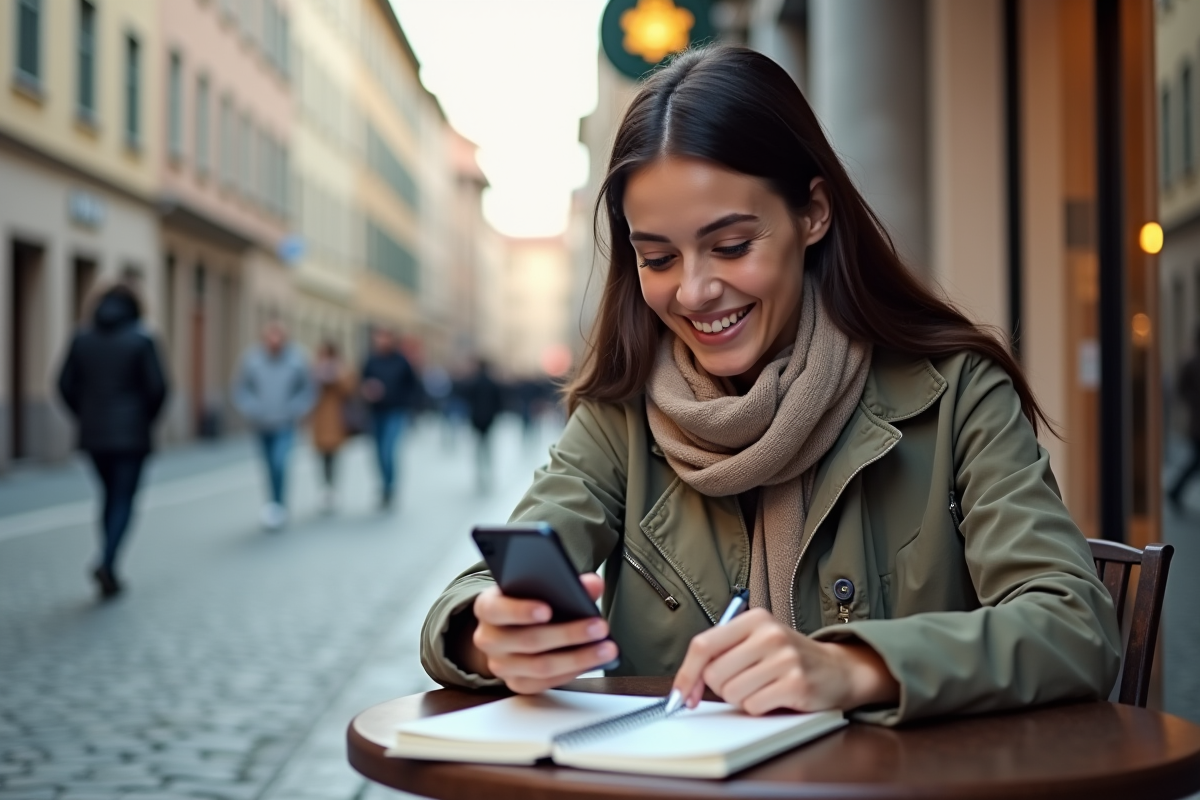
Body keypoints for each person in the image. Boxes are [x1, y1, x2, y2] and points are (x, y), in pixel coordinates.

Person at [419, 45, 1120, 726]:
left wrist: (854, 670)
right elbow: (481, 592)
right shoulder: (620, 416)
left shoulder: (959, 391)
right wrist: (487, 635)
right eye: (657, 257)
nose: (694, 291)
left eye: (731, 246)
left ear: (813, 213)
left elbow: (1075, 625)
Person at [57, 283, 168, 599]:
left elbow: (63, 384)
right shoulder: (142, 340)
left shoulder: (82, 339)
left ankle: (108, 561)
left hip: (93, 435)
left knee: (108, 496)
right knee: (122, 499)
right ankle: (107, 561)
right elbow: (158, 387)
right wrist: (144, 419)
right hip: (131, 436)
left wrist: (84, 414)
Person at [232, 320, 315, 530]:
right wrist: (251, 408)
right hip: (261, 424)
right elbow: (241, 389)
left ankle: (279, 504)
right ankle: (273, 504)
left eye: (278, 337)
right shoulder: (252, 360)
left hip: (285, 423)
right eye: (271, 337)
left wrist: (295, 409)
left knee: (280, 462)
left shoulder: (297, 360)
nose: (274, 341)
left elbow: (308, 389)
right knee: (268, 465)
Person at [361, 327, 421, 509]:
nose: (381, 341)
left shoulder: (401, 361)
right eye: (378, 337)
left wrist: (406, 404)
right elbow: (362, 382)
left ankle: (390, 487)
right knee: (378, 453)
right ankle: (384, 484)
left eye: (384, 337)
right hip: (376, 412)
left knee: (388, 450)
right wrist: (368, 390)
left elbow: (414, 386)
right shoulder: (371, 360)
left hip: (396, 411)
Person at [310, 340, 357, 513]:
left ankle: (332, 487)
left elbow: (349, 389)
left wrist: (335, 375)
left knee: (334, 456)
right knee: (322, 456)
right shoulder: (314, 369)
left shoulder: (342, 369)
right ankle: (325, 488)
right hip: (320, 420)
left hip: (337, 419)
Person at [461, 359, 505, 492]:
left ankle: (480, 473)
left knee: (479, 447)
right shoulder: (492, 383)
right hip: (489, 419)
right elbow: (499, 402)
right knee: (487, 447)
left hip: (476, 419)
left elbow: (467, 400)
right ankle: (488, 472)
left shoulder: (473, 382)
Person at [1168, 328, 1200, 508]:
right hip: (1197, 423)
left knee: (1194, 461)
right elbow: (1182, 389)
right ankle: (1175, 491)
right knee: (1194, 462)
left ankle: (1175, 491)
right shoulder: (1191, 363)